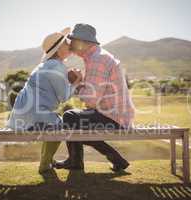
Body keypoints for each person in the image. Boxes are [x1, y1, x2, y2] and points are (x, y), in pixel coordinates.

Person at [55, 23, 135, 172]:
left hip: (114, 117)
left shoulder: (97, 60)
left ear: (82, 43)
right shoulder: (97, 57)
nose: (70, 43)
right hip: (115, 115)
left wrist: (77, 83)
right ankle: (115, 160)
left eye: (72, 40)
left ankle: (76, 161)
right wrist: (81, 83)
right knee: (76, 122)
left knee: (70, 117)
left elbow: (91, 101)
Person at [7, 27, 82, 173]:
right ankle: (44, 163)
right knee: (59, 124)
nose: (69, 45)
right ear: (59, 49)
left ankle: (47, 159)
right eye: (66, 43)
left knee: (52, 122)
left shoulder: (45, 65)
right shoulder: (56, 66)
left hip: (20, 115)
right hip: (31, 116)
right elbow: (64, 97)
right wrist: (77, 82)